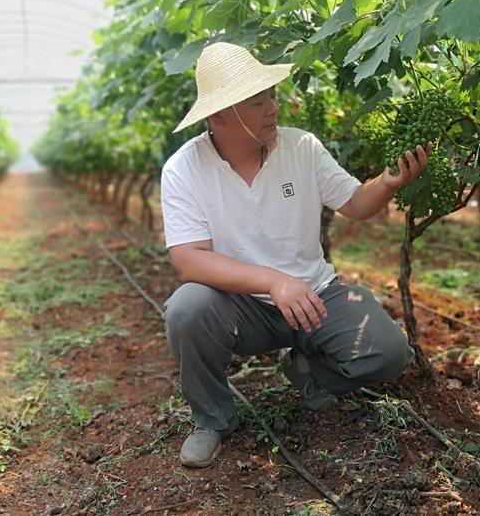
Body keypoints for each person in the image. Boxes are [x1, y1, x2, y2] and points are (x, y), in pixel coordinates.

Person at [160, 42, 432, 468]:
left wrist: (388, 183)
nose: (273, 108)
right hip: (242, 307)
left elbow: (356, 205)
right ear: (219, 117)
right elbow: (189, 260)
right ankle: (212, 419)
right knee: (187, 309)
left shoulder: (302, 147)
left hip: (314, 294)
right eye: (257, 102)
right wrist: (272, 281)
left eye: (271, 95)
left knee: (390, 352)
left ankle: (308, 373)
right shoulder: (184, 169)